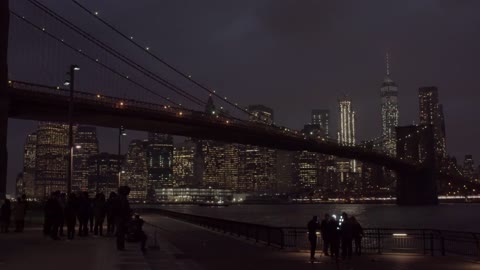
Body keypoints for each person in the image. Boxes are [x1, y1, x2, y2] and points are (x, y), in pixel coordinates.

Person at [113, 186, 132, 250]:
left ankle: (120, 246)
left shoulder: (119, 197)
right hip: (121, 218)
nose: (129, 193)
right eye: (128, 191)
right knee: (121, 232)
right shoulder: (122, 198)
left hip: (119, 217)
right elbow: (123, 209)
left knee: (120, 232)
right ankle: (121, 246)